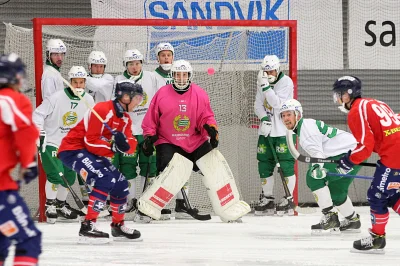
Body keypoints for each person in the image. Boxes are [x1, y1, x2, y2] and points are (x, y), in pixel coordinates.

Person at [58, 81, 144, 243]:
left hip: (92, 153)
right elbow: (90, 141)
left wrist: (124, 145)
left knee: (121, 183)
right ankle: (87, 225)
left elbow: (131, 144)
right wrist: (113, 145)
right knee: (105, 179)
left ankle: (117, 226)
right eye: (136, 98)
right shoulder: (102, 109)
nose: (138, 102)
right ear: (125, 97)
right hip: (73, 149)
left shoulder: (125, 119)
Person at [141, 59, 218, 219]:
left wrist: (211, 128)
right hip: (168, 140)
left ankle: (191, 204)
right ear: (173, 75)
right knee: (168, 171)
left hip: (194, 140)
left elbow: (206, 116)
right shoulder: (161, 93)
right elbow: (151, 118)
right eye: (178, 75)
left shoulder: (200, 93)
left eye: (184, 75)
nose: (181, 78)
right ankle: (156, 206)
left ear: (189, 76)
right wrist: (149, 136)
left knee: (212, 166)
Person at [333, 76, 400, 253]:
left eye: (340, 94)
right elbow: (395, 120)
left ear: (349, 94)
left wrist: (347, 162)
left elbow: (364, 146)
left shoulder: (356, 111)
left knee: (377, 195)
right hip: (394, 153)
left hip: (394, 156)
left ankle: (377, 239)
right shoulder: (375, 102)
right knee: (392, 194)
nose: (337, 98)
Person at [279, 99, 362, 233]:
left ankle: (330, 216)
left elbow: (318, 154)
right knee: (337, 192)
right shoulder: (305, 125)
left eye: (289, 114)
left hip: (348, 155)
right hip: (353, 153)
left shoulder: (305, 130)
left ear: (298, 115)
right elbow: (318, 153)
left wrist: (317, 168)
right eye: (283, 115)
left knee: (313, 177)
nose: (285, 118)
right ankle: (353, 221)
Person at [33, 66, 95, 223]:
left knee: (69, 176)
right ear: (70, 82)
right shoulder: (56, 97)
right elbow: (38, 114)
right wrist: (39, 132)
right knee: (56, 174)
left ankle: (60, 205)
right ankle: (50, 205)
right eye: (76, 82)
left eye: (82, 82)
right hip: (52, 141)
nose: (79, 85)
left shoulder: (88, 100)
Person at [114, 49, 169, 222]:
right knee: (127, 166)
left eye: (137, 63)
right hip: (127, 131)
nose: (135, 67)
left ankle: (149, 203)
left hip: (148, 131)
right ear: (126, 65)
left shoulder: (151, 77)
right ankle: (129, 202)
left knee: (150, 166)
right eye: (131, 64)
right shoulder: (119, 80)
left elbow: (161, 99)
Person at [0, 53, 42, 265]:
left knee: (2, 239)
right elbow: (26, 130)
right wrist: (30, 163)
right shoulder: (11, 99)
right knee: (29, 239)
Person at [254, 55, 296, 216]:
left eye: (271, 70)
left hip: (283, 131)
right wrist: (264, 118)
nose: (268, 73)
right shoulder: (262, 81)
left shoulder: (286, 82)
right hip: (266, 130)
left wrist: (265, 87)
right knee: (264, 164)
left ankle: (288, 198)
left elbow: (277, 104)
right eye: (265, 71)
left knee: (285, 164)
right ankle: (267, 198)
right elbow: (258, 104)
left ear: (278, 69)